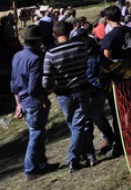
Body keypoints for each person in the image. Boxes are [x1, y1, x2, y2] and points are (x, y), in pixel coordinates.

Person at [43, 20, 96, 172]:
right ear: (69, 31)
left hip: (64, 93)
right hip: (83, 89)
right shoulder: (80, 46)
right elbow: (86, 63)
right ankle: (90, 154)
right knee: (79, 124)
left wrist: (56, 89)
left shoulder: (51, 54)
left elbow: (46, 81)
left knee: (75, 125)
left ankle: (72, 158)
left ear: (54, 35)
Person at [11, 25, 58, 181]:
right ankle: (30, 169)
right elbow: (33, 88)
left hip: (24, 101)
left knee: (39, 133)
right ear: (37, 41)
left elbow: (14, 83)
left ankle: (42, 163)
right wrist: (45, 101)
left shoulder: (17, 56)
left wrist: (17, 104)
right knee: (36, 135)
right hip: (34, 102)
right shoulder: (36, 59)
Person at [70, 23, 115, 157]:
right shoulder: (77, 54)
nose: (78, 43)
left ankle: (108, 136)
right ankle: (88, 147)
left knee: (95, 114)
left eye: (80, 40)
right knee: (87, 118)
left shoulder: (99, 50)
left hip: (99, 88)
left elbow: (108, 65)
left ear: (87, 38)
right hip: (84, 89)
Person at [101, 5, 131, 157]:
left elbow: (106, 57)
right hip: (130, 75)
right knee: (130, 107)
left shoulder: (110, 36)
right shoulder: (129, 31)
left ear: (107, 19)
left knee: (118, 112)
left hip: (116, 80)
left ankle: (121, 143)